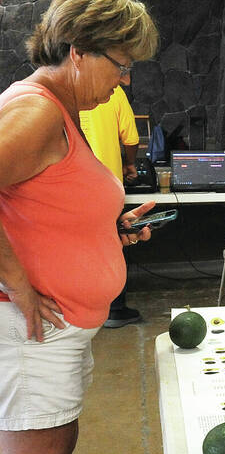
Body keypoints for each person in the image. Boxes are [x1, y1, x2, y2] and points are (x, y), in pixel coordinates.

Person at [0, 0, 159, 454]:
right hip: (32, 334)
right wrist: (17, 282)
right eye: (121, 65)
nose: (125, 80)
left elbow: (40, 204)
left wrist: (105, 231)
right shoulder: (37, 110)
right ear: (78, 50)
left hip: (57, 334)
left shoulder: (60, 112)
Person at [80, 85, 144, 328]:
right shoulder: (113, 91)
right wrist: (130, 164)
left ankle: (81, 309)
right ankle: (114, 310)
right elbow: (131, 139)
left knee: (78, 246)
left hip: (70, 186)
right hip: (106, 184)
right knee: (112, 244)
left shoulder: (60, 92)